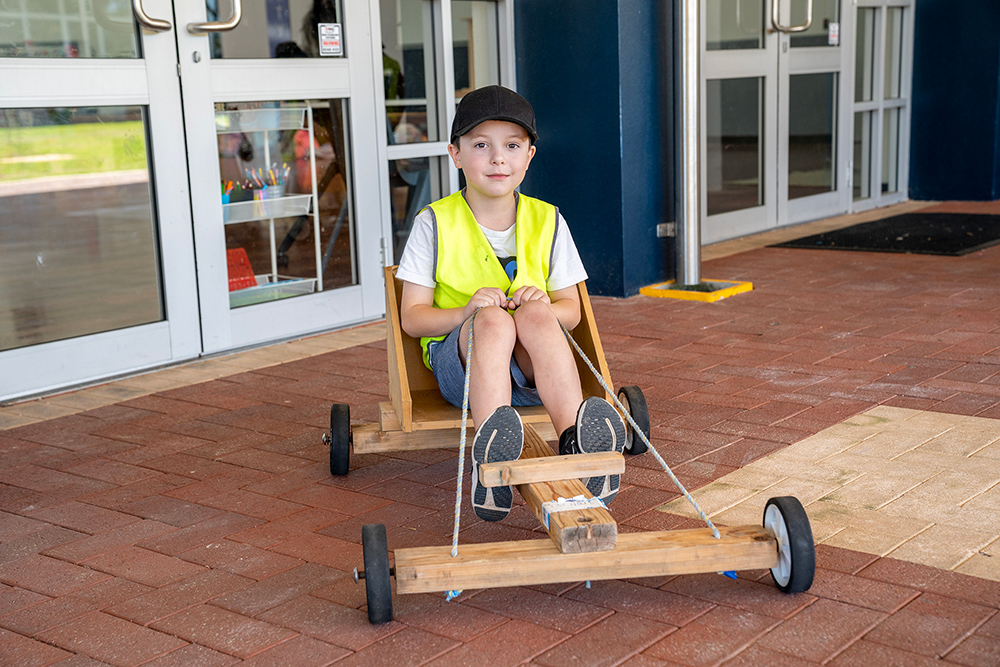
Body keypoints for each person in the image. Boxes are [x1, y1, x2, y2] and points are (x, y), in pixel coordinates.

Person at [396, 85, 627, 522]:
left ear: (529, 156)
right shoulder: (434, 222)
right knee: (493, 323)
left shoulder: (549, 219)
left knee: (539, 313)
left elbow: (571, 312)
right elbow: (412, 319)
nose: (498, 158)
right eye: (481, 145)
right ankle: (491, 461)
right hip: (460, 371)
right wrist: (467, 311)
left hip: (531, 376)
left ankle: (577, 442)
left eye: (512, 146)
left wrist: (538, 302)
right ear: (456, 154)